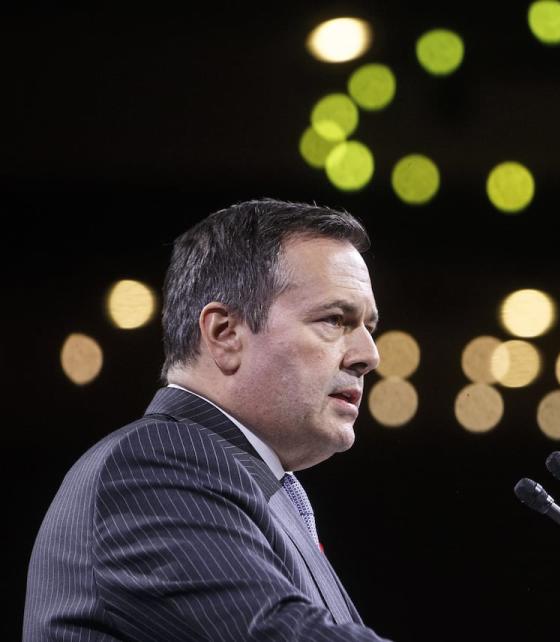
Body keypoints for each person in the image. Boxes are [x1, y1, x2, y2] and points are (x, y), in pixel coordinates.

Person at [24, 199, 392, 641]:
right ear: (225, 334)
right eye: (335, 320)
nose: (369, 356)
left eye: (368, 326)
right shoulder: (152, 469)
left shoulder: (254, 485)